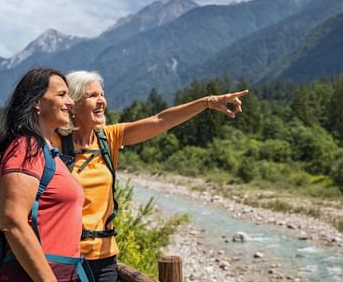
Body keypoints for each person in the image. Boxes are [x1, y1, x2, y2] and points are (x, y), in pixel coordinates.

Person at [54, 70, 249, 282]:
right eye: (92, 96)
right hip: (65, 257)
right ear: (72, 104)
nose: (101, 101)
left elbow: (161, 120)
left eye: (102, 94)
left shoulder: (108, 138)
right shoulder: (55, 143)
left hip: (104, 258)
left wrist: (207, 102)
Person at [0, 67, 84, 282]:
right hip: (35, 274)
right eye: (61, 95)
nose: (70, 102)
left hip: (56, 271)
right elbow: (12, 221)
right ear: (37, 102)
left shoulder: (49, 151)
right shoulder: (26, 147)